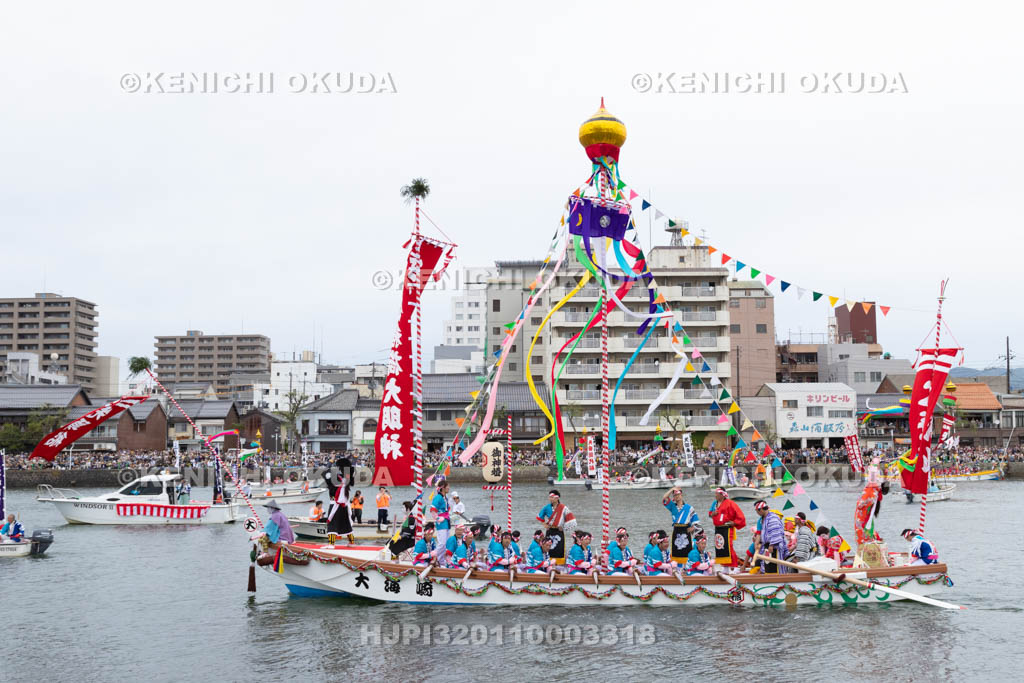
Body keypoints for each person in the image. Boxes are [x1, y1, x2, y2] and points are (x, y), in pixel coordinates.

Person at [536, 489, 577, 565]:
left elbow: (571, 519)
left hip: (559, 531)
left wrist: (564, 527)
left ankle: (560, 564)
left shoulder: (563, 508)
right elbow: (539, 516)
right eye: (549, 497)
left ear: (557, 498)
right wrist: (544, 524)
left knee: (559, 548)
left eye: (552, 497)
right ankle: (548, 562)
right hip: (550, 530)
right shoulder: (547, 507)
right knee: (548, 547)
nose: (550, 499)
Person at [709, 488, 746, 567]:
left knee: (729, 547)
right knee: (721, 547)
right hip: (718, 529)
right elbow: (709, 514)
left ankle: (733, 566)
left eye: (717, 494)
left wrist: (734, 522)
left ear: (722, 494)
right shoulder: (714, 503)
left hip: (727, 528)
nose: (715, 495)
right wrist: (713, 514)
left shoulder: (730, 503)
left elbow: (740, 516)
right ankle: (725, 566)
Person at [321, 458, 354, 543]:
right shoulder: (345, 479)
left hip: (334, 504)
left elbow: (325, 473)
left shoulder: (332, 480)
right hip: (344, 505)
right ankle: (352, 542)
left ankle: (331, 544)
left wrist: (330, 462)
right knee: (346, 524)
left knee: (332, 524)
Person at [662, 487, 699, 563]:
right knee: (676, 551)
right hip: (676, 530)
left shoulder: (689, 507)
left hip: (685, 530)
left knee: (686, 551)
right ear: (673, 498)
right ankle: (678, 568)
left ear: (681, 495)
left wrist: (692, 527)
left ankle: (686, 568)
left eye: (678, 495)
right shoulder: (672, 506)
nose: (677, 496)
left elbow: (695, 520)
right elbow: (664, 497)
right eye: (675, 495)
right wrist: (672, 489)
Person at [755, 501, 788, 573]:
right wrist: (757, 542)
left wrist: (771, 545)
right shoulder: (764, 518)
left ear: (761, 510)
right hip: (767, 546)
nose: (757, 513)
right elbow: (761, 533)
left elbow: (775, 532)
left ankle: (779, 580)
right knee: (768, 566)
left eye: (757, 511)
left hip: (774, 546)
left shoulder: (772, 517)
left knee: (775, 566)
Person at [428, 479, 452, 549]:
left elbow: (447, 509)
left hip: (446, 521)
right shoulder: (437, 497)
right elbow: (432, 509)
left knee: (446, 543)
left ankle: (443, 559)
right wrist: (438, 518)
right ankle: (437, 558)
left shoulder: (445, 498)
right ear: (443, 488)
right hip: (441, 522)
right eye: (447, 486)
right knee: (442, 543)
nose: (449, 488)